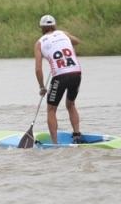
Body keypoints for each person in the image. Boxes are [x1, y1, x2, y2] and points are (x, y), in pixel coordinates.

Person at [33, 15, 85, 143]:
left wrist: (42, 87)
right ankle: (77, 135)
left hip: (60, 76)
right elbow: (77, 41)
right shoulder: (63, 33)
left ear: (41, 28)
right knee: (71, 104)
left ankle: (55, 143)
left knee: (51, 109)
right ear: (54, 25)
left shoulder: (39, 43)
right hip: (76, 73)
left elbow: (38, 69)